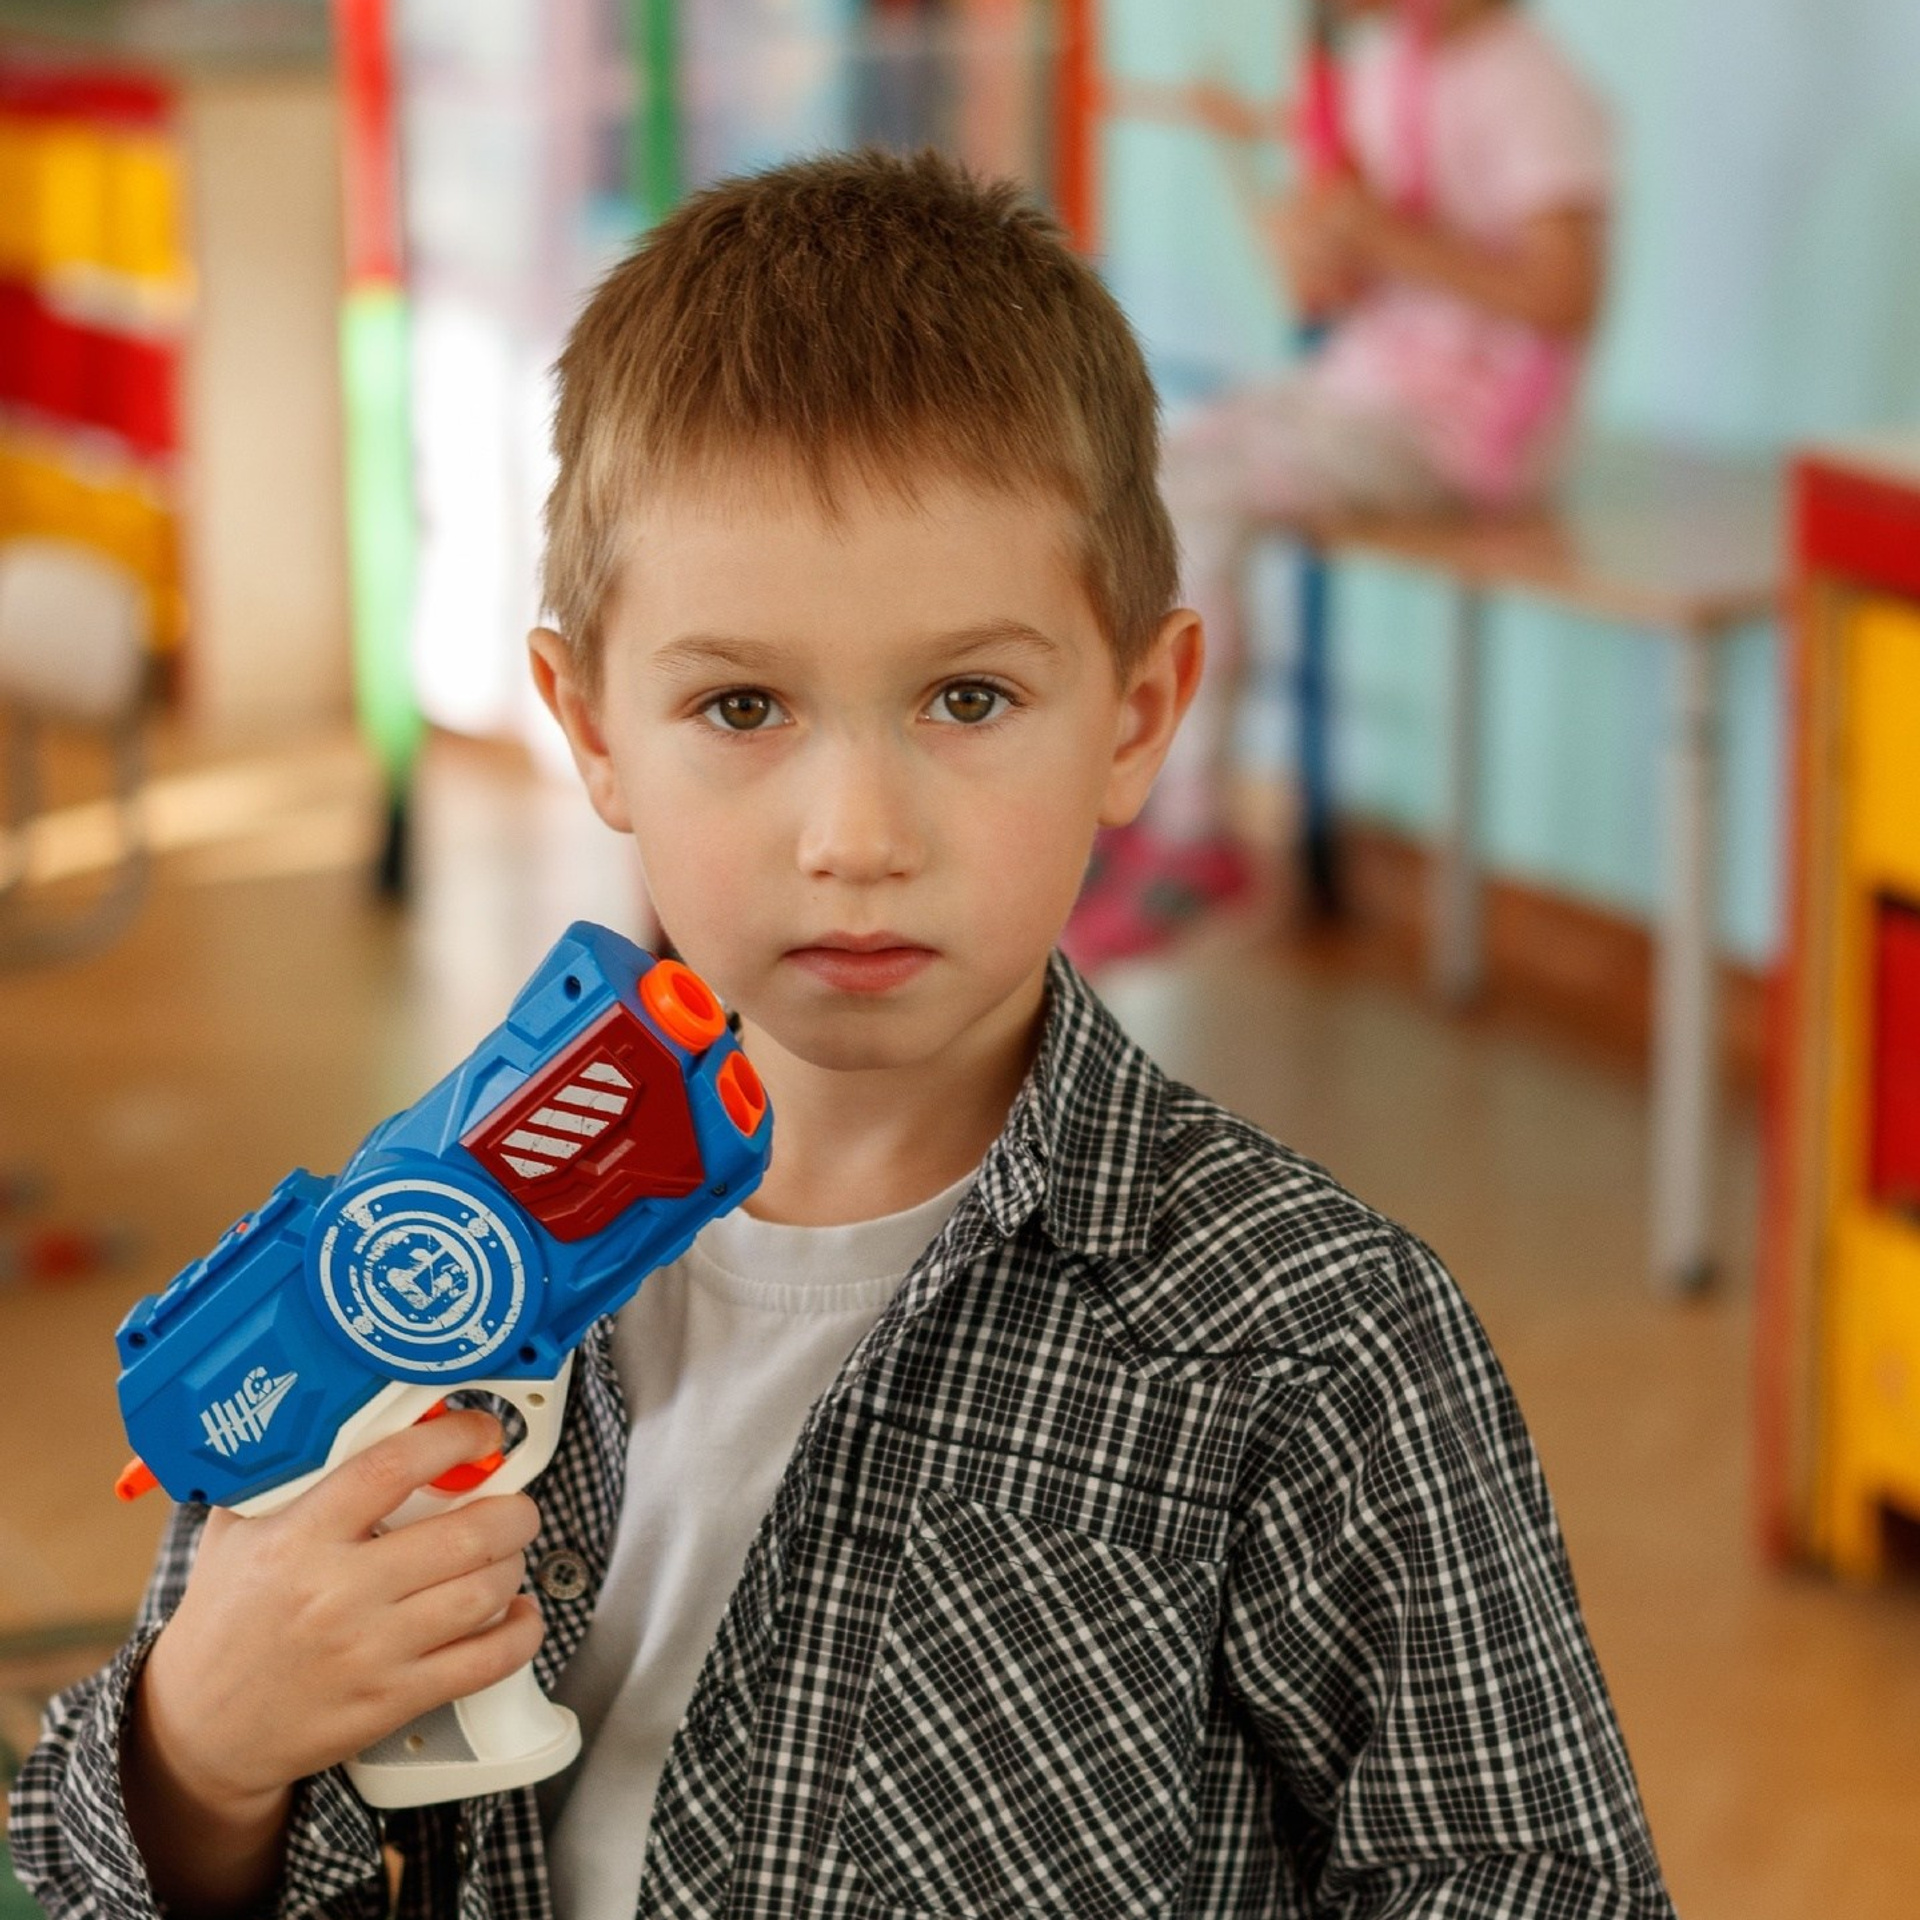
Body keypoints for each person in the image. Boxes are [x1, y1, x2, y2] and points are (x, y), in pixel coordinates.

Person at [11, 149, 1674, 1919]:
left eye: (970, 697)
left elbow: (1529, 1881)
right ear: (586, 721)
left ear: (1139, 711)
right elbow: (113, 1871)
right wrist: (195, 1752)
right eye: (742, 705)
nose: (857, 833)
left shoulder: (1318, 1349)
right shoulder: (394, 1276)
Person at [1065, 0, 1612, 971]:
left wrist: (1387, 240)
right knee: (1144, 468)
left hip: (1471, 431)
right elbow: (1340, 290)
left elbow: (1565, 296)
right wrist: (1325, 252)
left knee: (1197, 493)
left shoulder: (1532, 81)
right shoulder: (1387, 69)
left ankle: (1191, 825)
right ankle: (1139, 801)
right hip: (1370, 389)